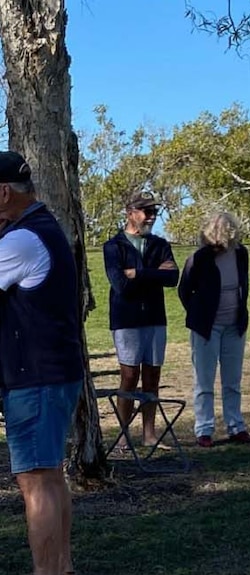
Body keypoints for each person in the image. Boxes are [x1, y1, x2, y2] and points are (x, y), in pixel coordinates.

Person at [0, 151, 84, 575]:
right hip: (53, 372)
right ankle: (61, 568)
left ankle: (47, 571)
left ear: (1, 194)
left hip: (34, 377)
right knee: (49, 476)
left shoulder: (19, 241)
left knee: (35, 480)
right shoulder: (41, 230)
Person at [103, 191, 179, 447]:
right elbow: (121, 285)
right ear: (130, 212)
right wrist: (154, 274)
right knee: (129, 376)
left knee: (152, 377)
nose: (151, 217)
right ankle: (123, 436)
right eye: (146, 212)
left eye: (154, 212)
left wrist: (140, 273)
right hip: (127, 319)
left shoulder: (160, 244)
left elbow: (172, 278)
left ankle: (149, 434)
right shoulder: (113, 247)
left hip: (155, 317)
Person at [178, 212, 250, 447]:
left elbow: (243, 284)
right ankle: (204, 428)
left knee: (232, 380)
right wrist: (199, 312)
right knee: (204, 380)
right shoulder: (200, 258)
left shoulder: (241, 254)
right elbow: (184, 290)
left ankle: (236, 425)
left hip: (234, 325)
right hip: (206, 327)